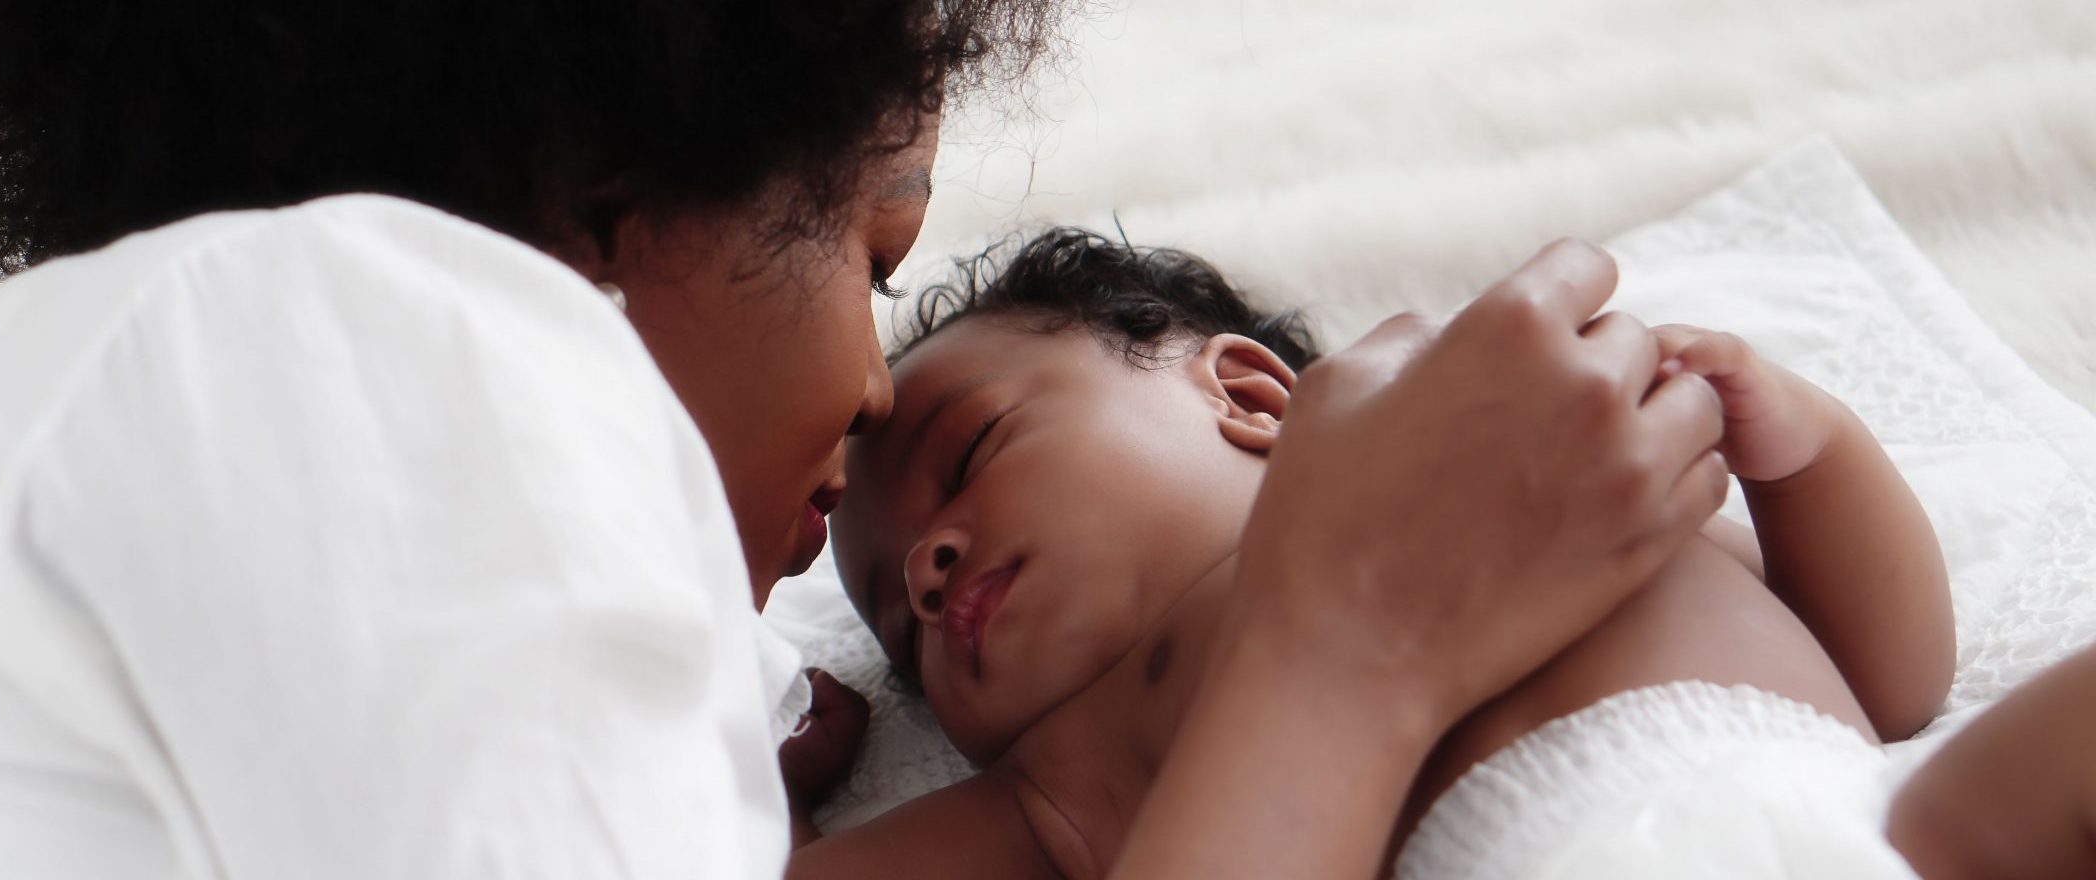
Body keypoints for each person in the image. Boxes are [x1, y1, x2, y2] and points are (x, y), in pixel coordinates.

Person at [0, 3, 1733, 879]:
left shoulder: (177, 403)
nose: (864, 414)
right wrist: (1341, 640)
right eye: (870, 252)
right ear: (617, 192)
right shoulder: (418, 350)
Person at [805, 229, 2096, 879]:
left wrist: (1804, 451)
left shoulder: (1553, 485)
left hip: (1881, 835)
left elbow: (1893, 681)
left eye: (972, 458)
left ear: (1253, 395)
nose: (925, 570)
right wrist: (741, 734)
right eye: (893, 623)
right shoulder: (1068, 774)